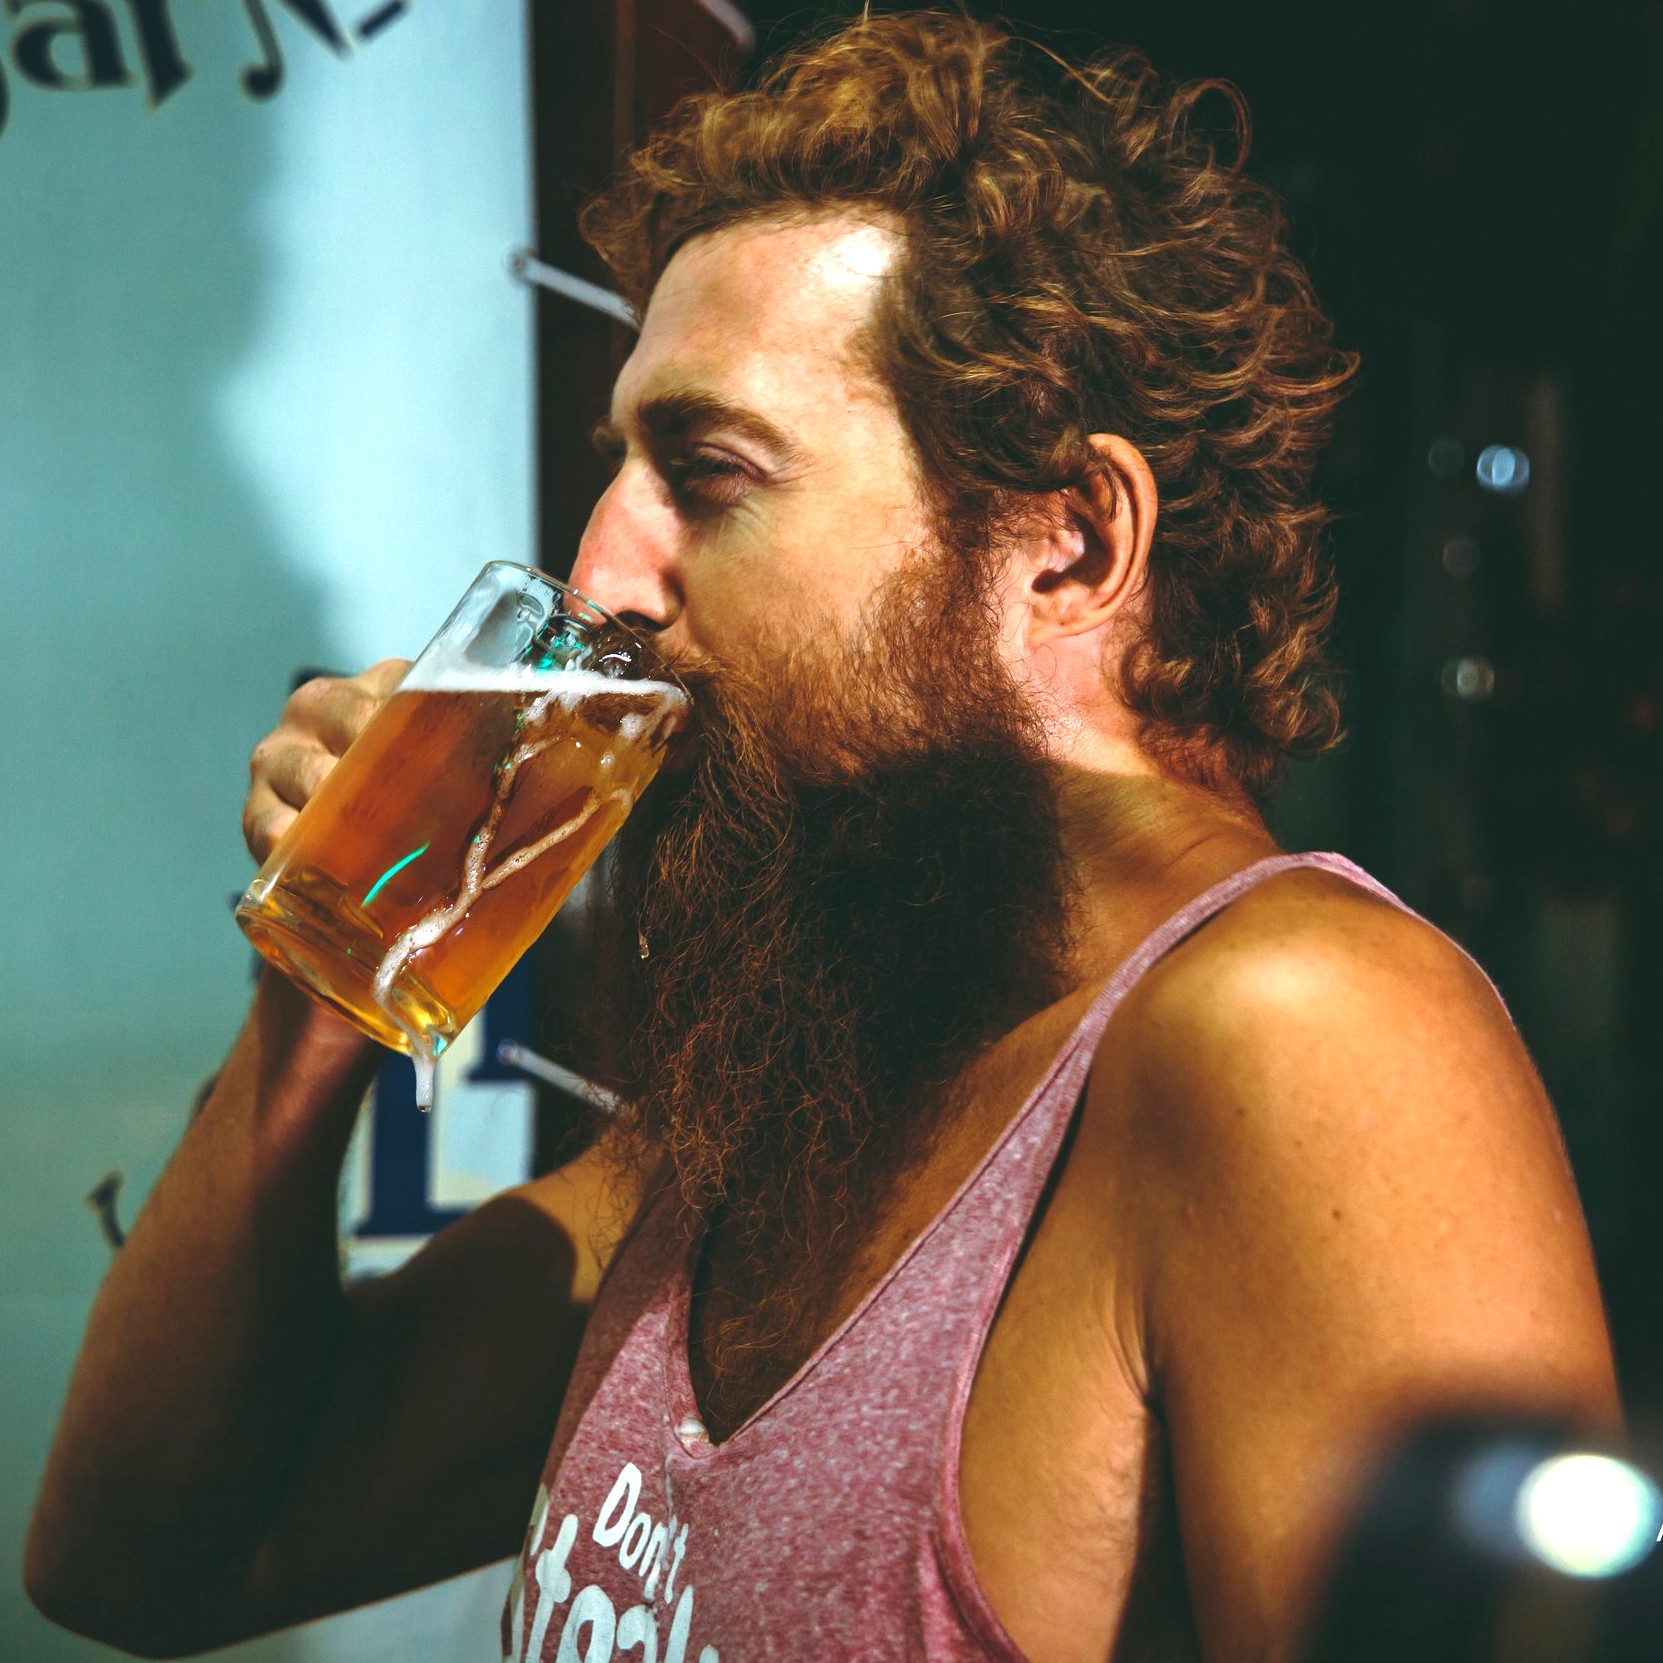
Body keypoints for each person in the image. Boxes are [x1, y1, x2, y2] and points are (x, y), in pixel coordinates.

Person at [27, 12, 1617, 1661]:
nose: (601, 578)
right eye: (621, 469)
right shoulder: (810, 1093)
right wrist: (328, 978)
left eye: (709, 472)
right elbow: (143, 1565)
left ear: (1071, 545)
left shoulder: (1308, 1041)